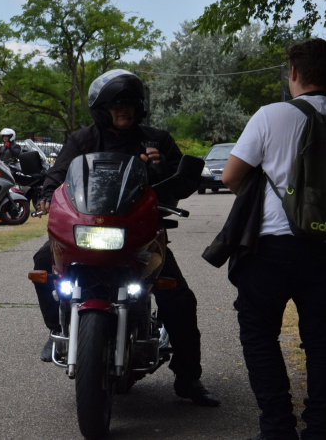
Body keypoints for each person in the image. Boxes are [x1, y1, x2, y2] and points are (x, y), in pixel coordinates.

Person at [33, 69, 220, 408]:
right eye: (117, 103)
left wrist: (160, 168)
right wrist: (46, 194)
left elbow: (184, 181)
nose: (126, 109)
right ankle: (55, 329)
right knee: (43, 263)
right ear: (102, 107)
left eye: (132, 102)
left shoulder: (156, 140)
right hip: (88, 232)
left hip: (140, 236)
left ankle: (188, 377)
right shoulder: (82, 141)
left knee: (178, 297)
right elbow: (59, 174)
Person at [222, 38, 326, 440]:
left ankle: (277, 427)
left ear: (295, 74)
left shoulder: (271, 115)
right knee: (321, 338)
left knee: (258, 332)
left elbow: (230, 177)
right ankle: (320, 428)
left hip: (271, 246)